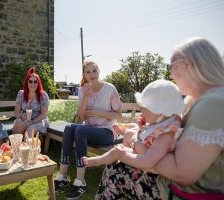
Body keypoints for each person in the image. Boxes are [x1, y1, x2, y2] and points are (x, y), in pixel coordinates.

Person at [95, 37, 224, 200]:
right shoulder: (197, 99)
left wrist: (137, 143)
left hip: (182, 194)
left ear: (189, 64)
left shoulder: (213, 103)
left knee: (115, 170)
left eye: (172, 65)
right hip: (177, 187)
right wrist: (145, 129)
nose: (170, 73)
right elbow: (171, 135)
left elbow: (182, 173)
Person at [54, 61, 122, 200]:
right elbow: (81, 116)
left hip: (107, 132)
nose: (92, 74)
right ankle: (62, 175)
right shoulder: (81, 90)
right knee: (69, 127)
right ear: (84, 74)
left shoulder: (109, 89)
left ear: (99, 71)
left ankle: (80, 182)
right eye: (88, 72)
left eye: (94, 71)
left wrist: (100, 112)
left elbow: (119, 114)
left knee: (80, 130)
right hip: (88, 129)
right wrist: (85, 96)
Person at [83, 79, 185, 171]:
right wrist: (142, 128)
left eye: (144, 108)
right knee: (119, 147)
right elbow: (147, 136)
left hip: (146, 163)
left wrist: (125, 155)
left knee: (118, 151)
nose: (142, 112)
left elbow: (148, 161)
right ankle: (97, 161)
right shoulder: (162, 122)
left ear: (161, 111)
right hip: (142, 151)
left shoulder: (165, 135)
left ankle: (102, 161)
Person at [12, 67, 49, 137]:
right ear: (27, 83)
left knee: (30, 128)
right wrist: (21, 116)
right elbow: (16, 112)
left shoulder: (43, 95)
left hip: (38, 121)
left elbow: (43, 114)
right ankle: (16, 145)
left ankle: (26, 147)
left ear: (38, 83)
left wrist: (31, 122)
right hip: (25, 119)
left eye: (35, 82)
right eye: (30, 81)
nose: (33, 84)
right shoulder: (21, 94)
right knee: (17, 122)